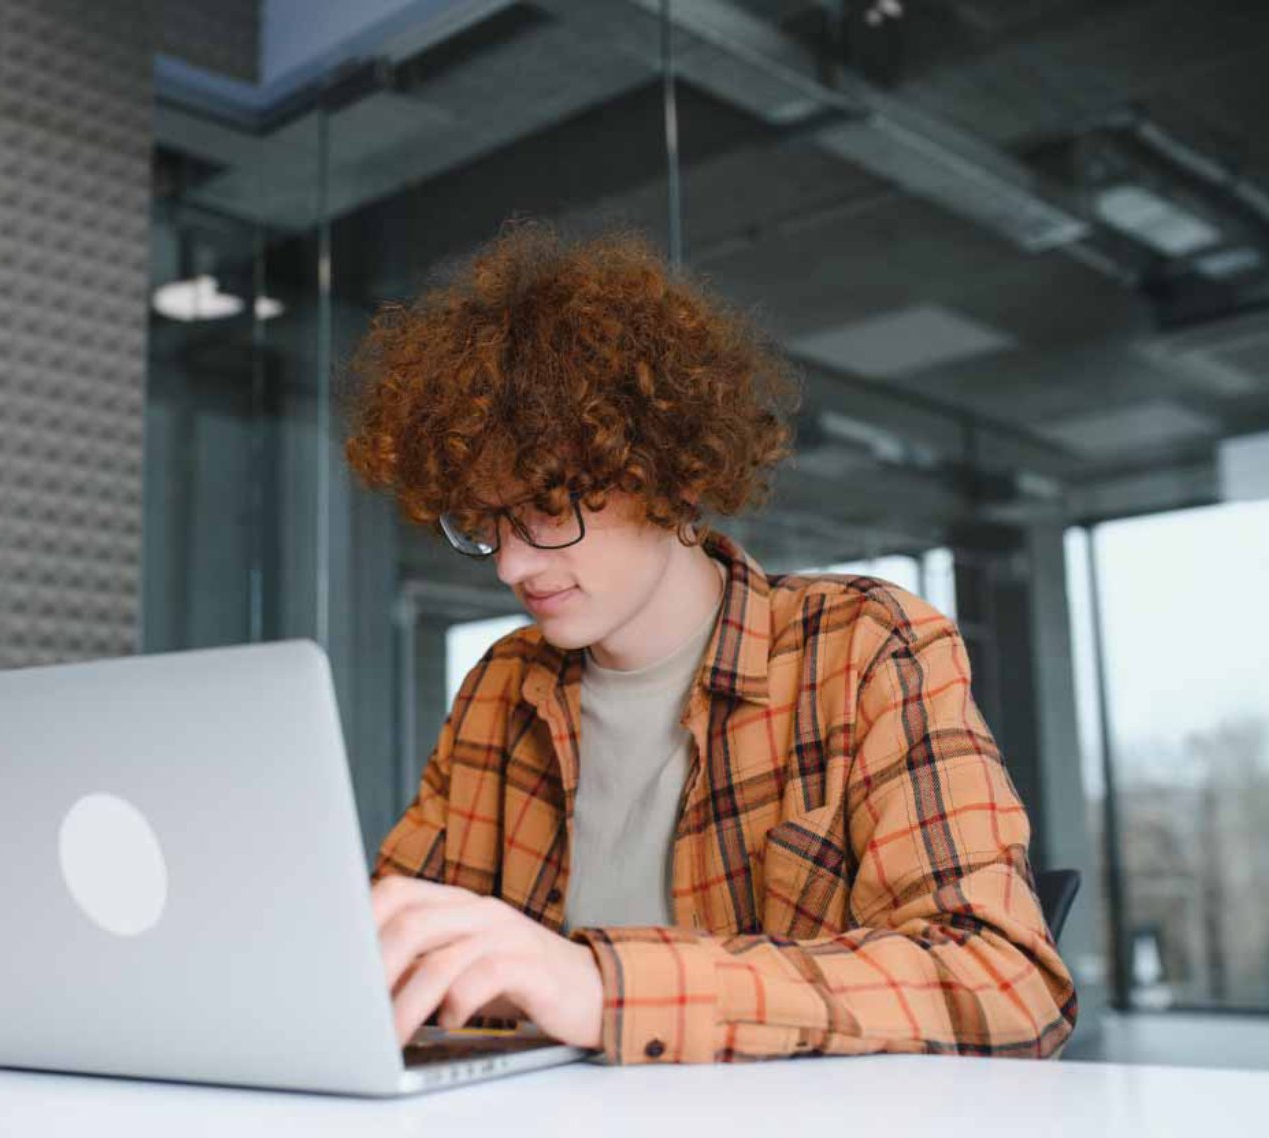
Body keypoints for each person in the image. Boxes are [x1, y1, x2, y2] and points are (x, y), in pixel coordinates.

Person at [341, 218, 1076, 1064]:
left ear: (672, 474)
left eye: (546, 507)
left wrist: (605, 988)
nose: (510, 563)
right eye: (485, 522)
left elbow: (1006, 983)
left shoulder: (862, 648)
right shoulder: (502, 689)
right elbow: (393, 950)